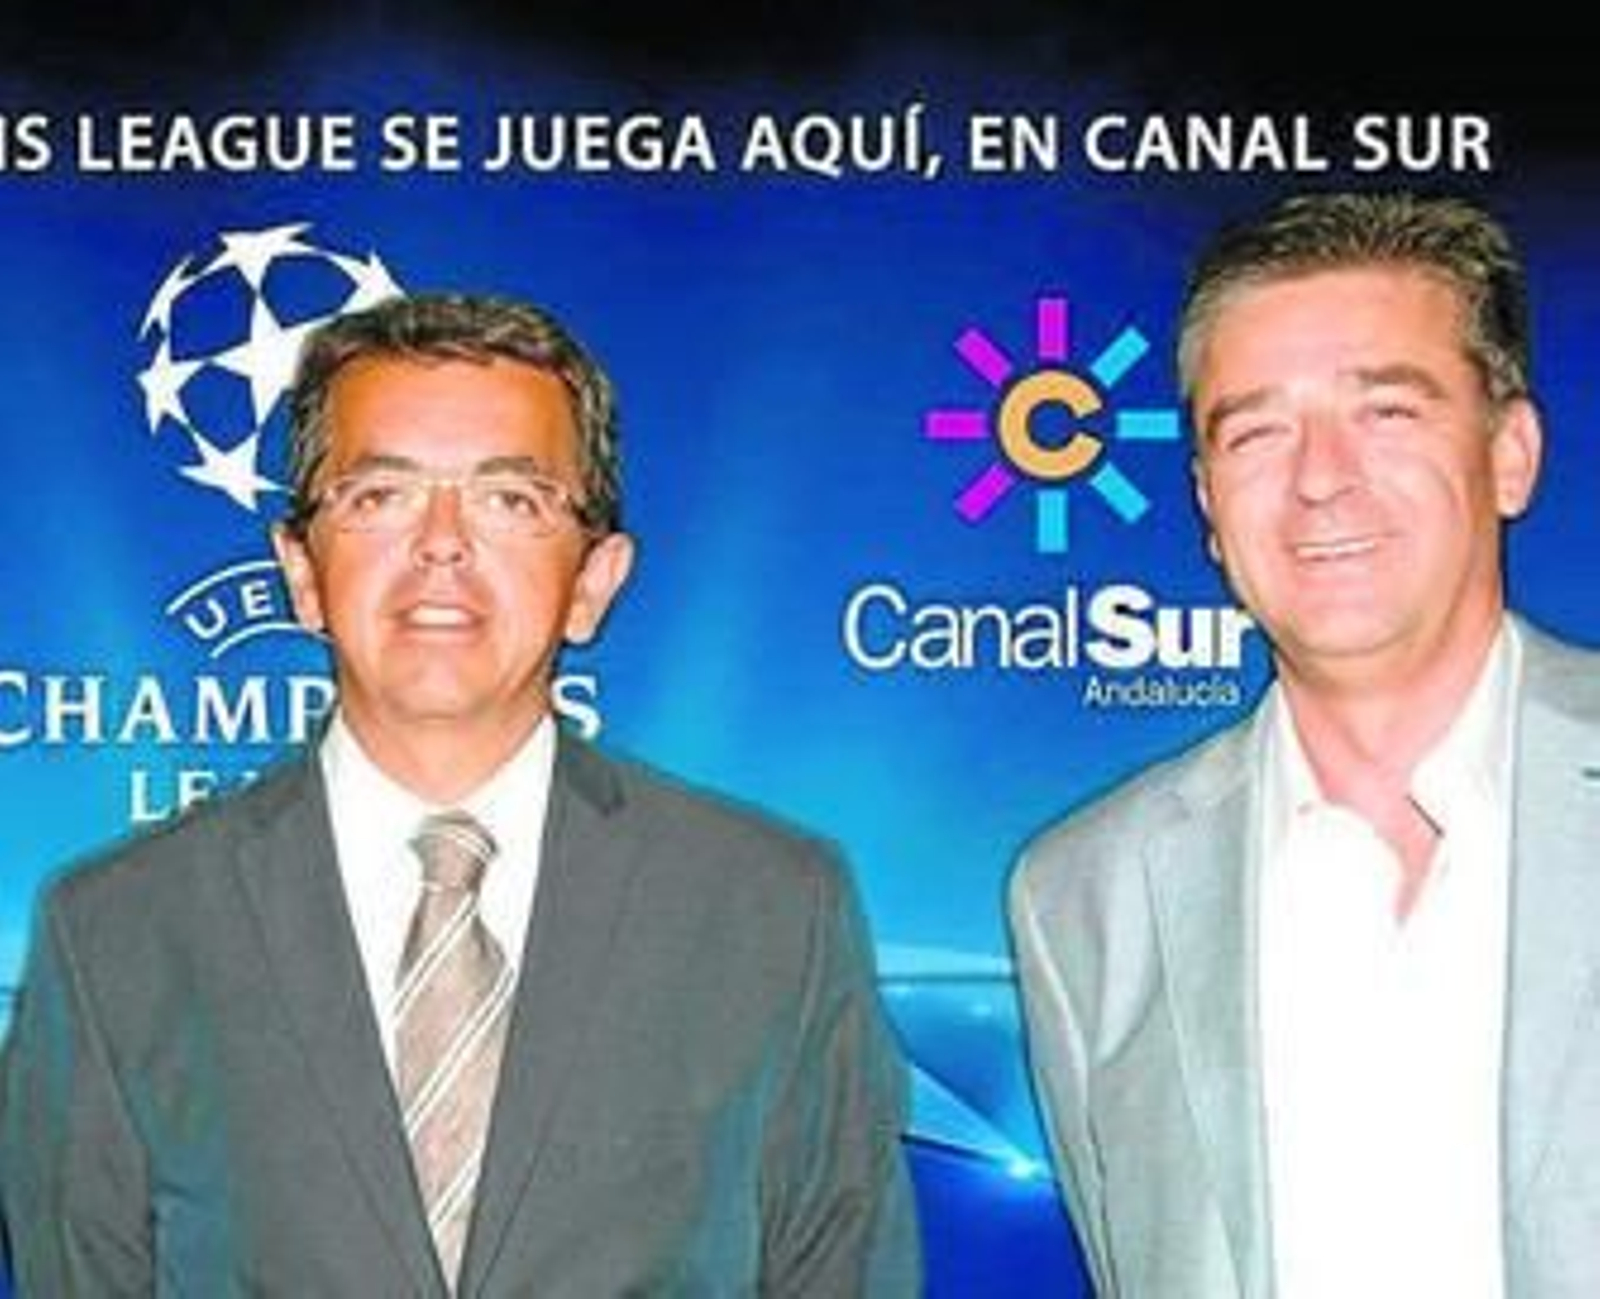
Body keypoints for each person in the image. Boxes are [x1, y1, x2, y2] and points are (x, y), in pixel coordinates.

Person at [0, 293, 922, 1295]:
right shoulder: (116, 930)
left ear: (595, 580)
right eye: (379, 495)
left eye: (510, 499)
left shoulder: (773, 908)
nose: (441, 541)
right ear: (300, 570)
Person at [1008, 190, 1600, 1297]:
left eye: (1387, 412)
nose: (1321, 478)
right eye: (1256, 432)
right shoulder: (1085, 896)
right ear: (1205, 502)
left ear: (1511, 453)